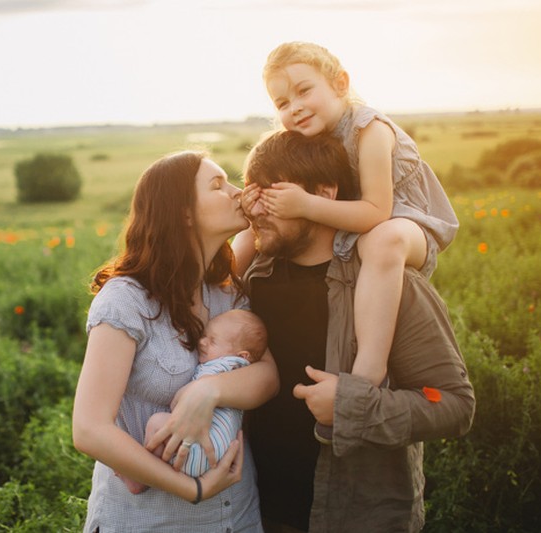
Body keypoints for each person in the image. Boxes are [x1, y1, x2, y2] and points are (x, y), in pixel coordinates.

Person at [241, 130, 475, 532]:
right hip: (256, 513)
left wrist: (353, 407)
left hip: (354, 516)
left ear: (325, 192)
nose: (258, 210)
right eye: (253, 194)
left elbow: (451, 403)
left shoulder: (390, 286)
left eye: (273, 194)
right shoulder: (254, 277)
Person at [233, 42, 460, 443]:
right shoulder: (310, 138)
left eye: (305, 91)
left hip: (408, 223)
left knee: (382, 241)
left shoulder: (369, 129)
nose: (295, 108)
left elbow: (375, 211)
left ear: (340, 83)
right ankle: (211, 283)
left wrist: (303, 202)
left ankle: (366, 371)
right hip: (364, 228)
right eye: (282, 102)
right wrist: (254, 208)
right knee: (366, 242)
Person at [72, 150, 279, 532]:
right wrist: (192, 488)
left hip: (235, 516)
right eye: (218, 185)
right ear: (183, 212)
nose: (237, 192)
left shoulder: (227, 293)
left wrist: (210, 390)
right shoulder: (126, 299)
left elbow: (268, 376)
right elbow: (89, 428)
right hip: (152, 521)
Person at [117, 309, 268, 494]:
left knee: (157, 422)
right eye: (204, 335)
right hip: (219, 455)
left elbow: (179, 402)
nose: (202, 342)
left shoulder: (222, 366)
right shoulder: (242, 370)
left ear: (242, 355)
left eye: (212, 341)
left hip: (201, 449)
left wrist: (184, 397)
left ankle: (139, 477)